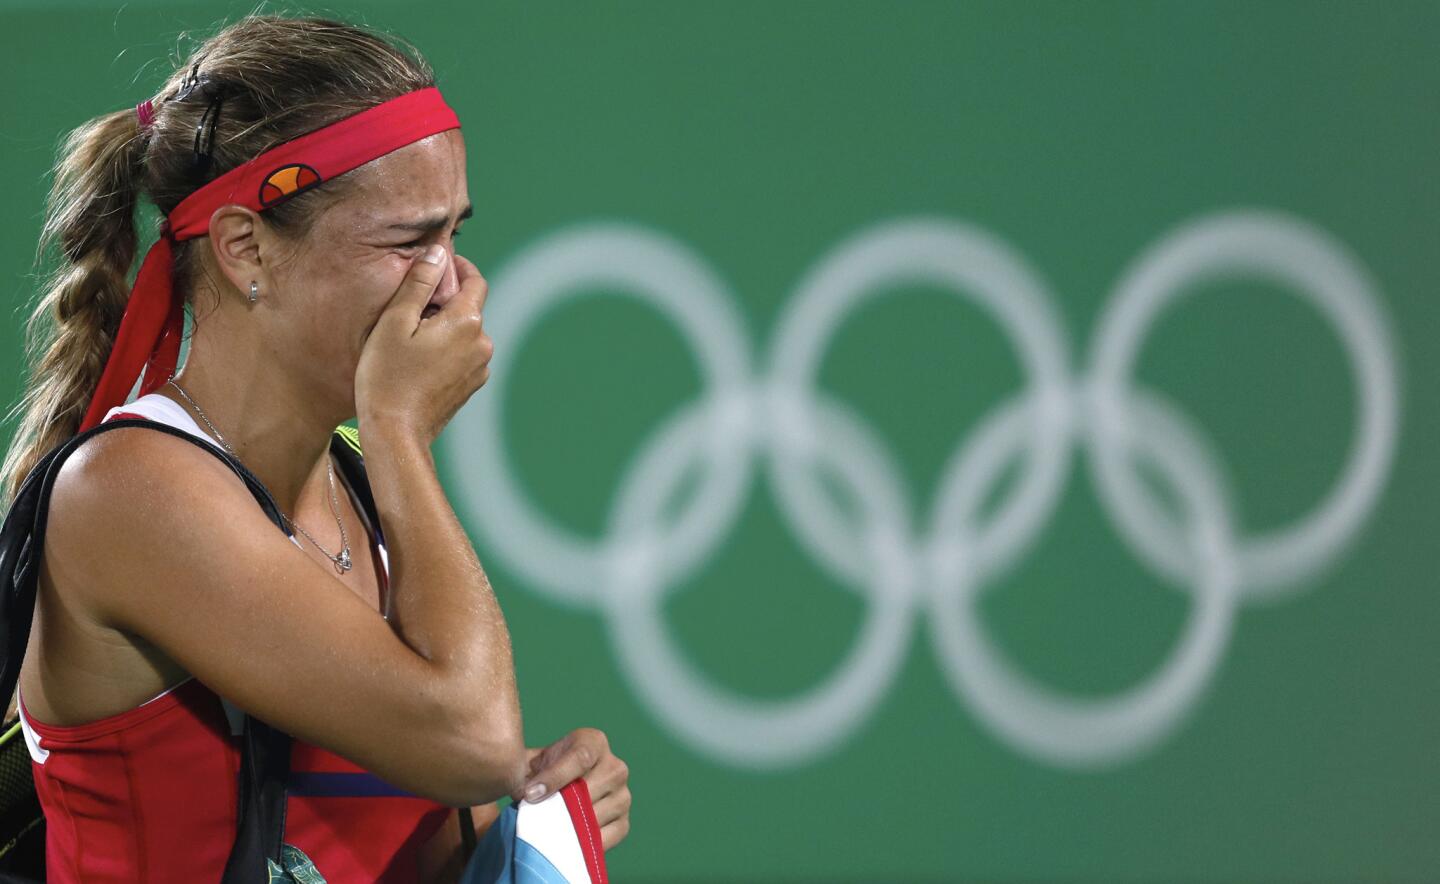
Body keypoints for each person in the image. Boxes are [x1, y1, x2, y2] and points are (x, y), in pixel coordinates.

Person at [0, 14, 630, 882]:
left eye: (455, 235)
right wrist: (401, 430)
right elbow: (471, 741)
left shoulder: (355, 485)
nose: (451, 286)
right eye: (409, 242)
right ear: (246, 249)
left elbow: (449, 800)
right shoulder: (128, 489)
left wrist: (539, 807)